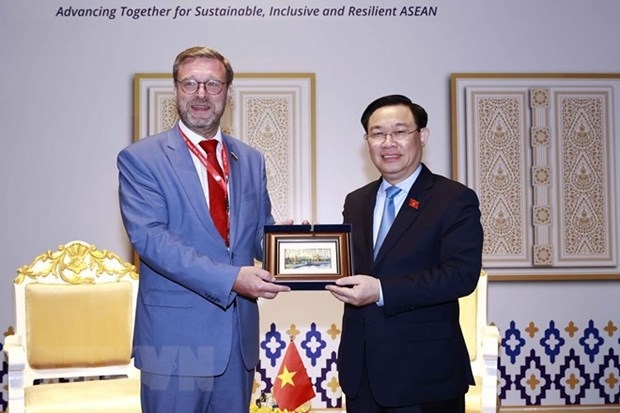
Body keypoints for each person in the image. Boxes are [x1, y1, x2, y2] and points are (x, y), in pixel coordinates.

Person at [117, 46, 290, 413]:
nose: (201, 94)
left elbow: (257, 233)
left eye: (212, 84)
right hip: (174, 345)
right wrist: (231, 279)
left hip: (236, 342)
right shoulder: (141, 159)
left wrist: (288, 243)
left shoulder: (250, 158)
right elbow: (152, 240)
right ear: (176, 90)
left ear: (228, 92)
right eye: (190, 83)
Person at [326, 94, 483, 413]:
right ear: (366, 141)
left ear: (421, 136)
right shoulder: (356, 201)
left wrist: (382, 291)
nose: (388, 142)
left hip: (425, 377)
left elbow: (460, 275)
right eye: (378, 133)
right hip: (363, 375)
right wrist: (309, 243)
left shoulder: (453, 199)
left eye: (399, 131)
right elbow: (349, 265)